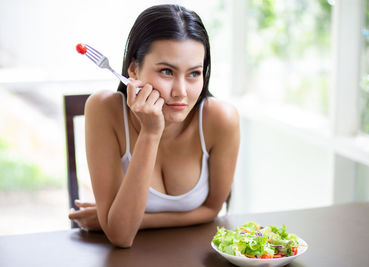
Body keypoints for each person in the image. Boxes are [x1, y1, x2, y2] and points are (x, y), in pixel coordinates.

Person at [68, 4, 240, 248]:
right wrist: (150, 133)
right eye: (167, 71)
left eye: (194, 73)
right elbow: (121, 236)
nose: (181, 92)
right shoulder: (104, 109)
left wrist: (134, 220)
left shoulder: (221, 118)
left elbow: (212, 209)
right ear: (133, 69)